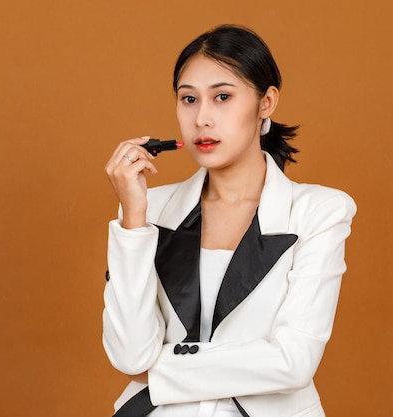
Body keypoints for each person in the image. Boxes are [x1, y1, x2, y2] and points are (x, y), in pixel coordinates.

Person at [102, 24, 356, 417]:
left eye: (222, 97)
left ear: (266, 102)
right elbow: (131, 355)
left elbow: (292, 362)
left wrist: (161, 370)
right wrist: (134, 222)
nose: (202, 118)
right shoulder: (146, 210)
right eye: (189, 99)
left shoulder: (320, 211)